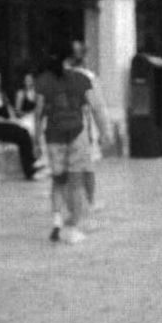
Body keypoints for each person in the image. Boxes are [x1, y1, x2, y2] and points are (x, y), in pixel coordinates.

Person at [35, 41, 110, 243]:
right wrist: (104, 131)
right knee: (77, 181)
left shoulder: (45, 80)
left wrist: (36, 139)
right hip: (77, 133)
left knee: (60, 181)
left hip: (55, 136)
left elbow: (39, 112)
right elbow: (96, 107)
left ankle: (60, 221)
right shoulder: (82, 79)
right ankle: (73, 226)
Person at [0, 69, 42, 179]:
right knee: (21, 134)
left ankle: (30, 165)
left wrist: (15, 121)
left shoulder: (2, 95)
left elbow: (10, 112)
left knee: (24, 131)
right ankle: (29, 168)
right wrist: (8, 121)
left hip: (4, 124)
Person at [66, 39, 106, 210]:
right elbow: (97, 107)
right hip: (83, 126)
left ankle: (72, 204)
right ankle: (89, 201)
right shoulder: (88, 77)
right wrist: (104, 131)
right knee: (87, 166)